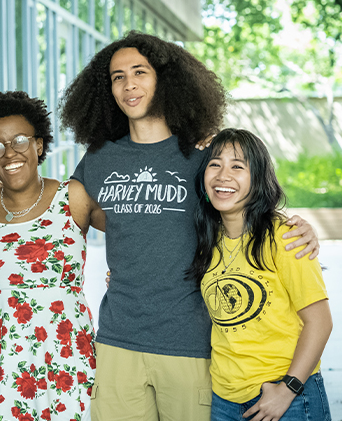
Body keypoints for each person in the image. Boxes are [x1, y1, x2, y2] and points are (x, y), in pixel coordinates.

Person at [60, 31, 320, 420]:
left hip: (190, 343)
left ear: (164, 81)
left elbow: (243, 198)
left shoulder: (201, 156)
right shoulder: (98, 159)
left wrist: (298, 226)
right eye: (117, 77)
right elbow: (73, 222)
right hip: (117, 340)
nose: (129, 84)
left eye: (140, 72)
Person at [0, 91, 105, 421]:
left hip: (66, 358)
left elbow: (132, 236)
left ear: (39, 145)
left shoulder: (74, 197)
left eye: (19, 140)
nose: (9, 152)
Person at [188, 128, 332, 421]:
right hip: (224, 400)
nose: (223, 175)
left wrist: (287, 390)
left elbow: (320, 322)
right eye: (215, 164)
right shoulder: (205, 240)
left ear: (258, 179)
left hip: (287, 396)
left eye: (238, 166)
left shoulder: (285, 237)